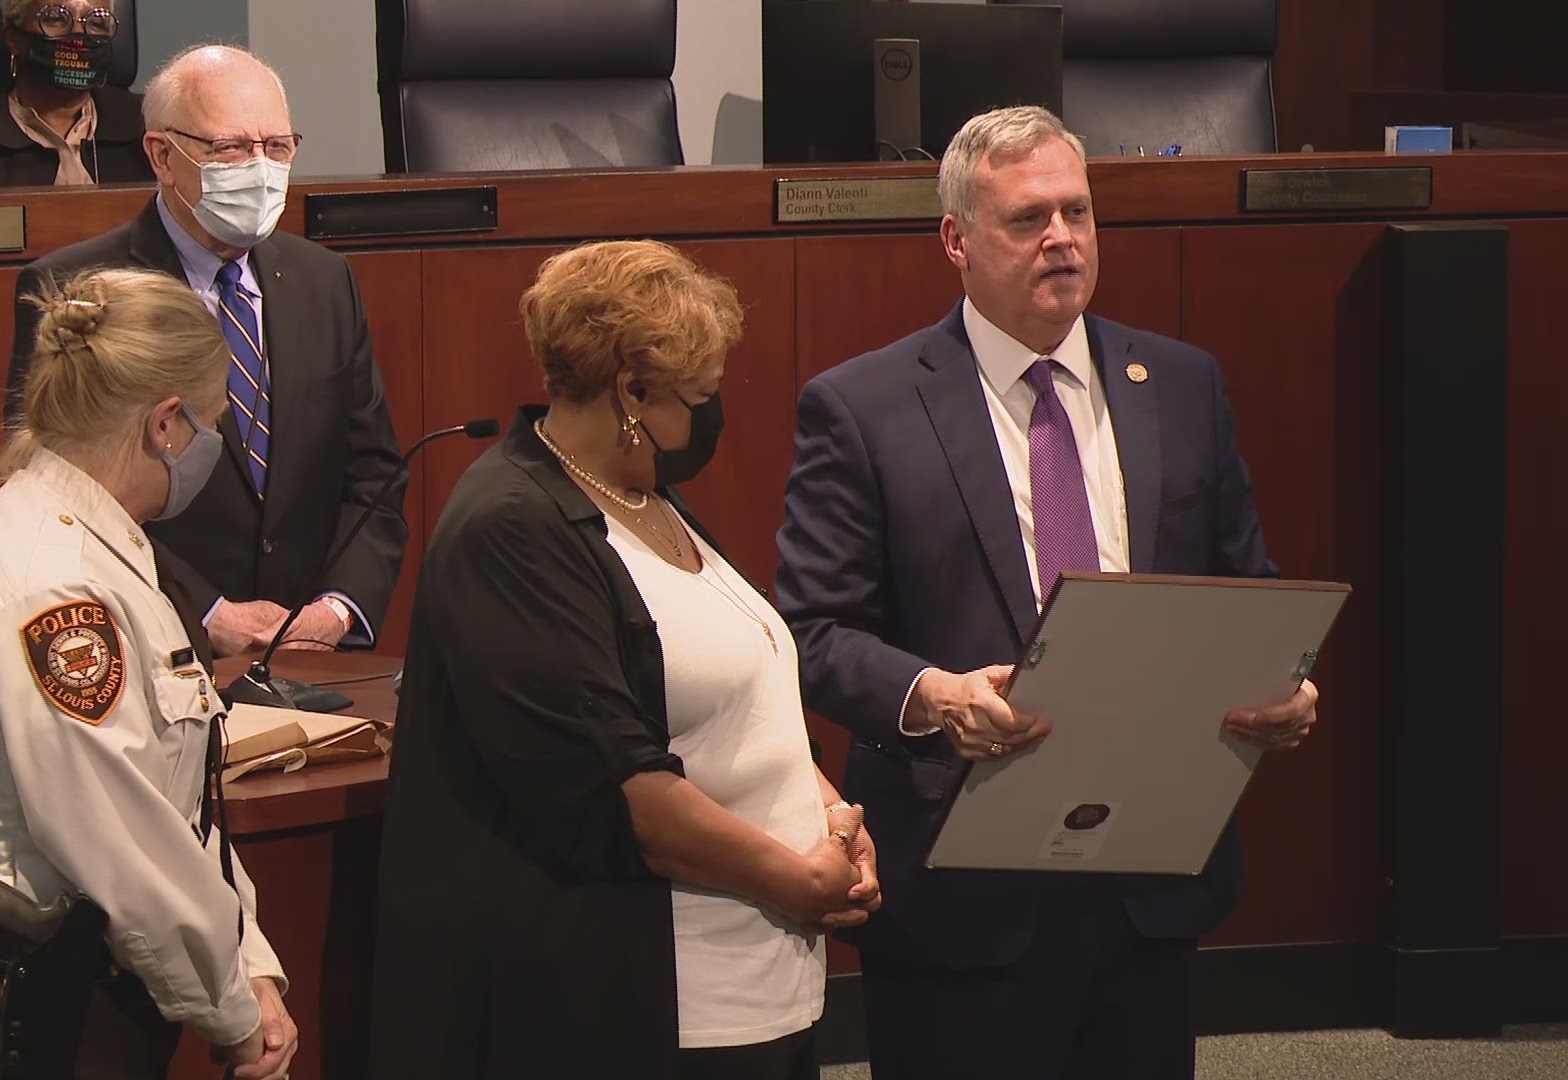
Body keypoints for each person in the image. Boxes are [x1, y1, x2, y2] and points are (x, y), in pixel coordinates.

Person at [774, 105, 1320, 1080]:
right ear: (957, 240)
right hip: (961, 885)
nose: (1063, 237)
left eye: (1078, 211)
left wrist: (1284, 682)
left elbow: (1248, 587)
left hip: (1147, 872)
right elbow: (813, 633)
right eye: (1029, 219)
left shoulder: (1182, 384)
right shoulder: (863, 409)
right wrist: (934, 696)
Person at [370, 240, 879, 1080]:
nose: (714, 415)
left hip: (763, 979)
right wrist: (797, 881)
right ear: (631, 390)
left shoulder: (643, 494)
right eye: (702, 395)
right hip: (652, 1003)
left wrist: (831, 818)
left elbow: (743, 697)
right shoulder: (511, 526)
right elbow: (619, 788)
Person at [0, 268, 295, 1079]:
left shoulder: (105, 556)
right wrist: (230, 1007)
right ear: (167, 423)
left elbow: (179, 810)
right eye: (216, 421)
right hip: (19, 1000)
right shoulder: (45, 587)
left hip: (85, 982)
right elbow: (116, 835)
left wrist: (250, 966)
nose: (217, 442)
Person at [4, 44, 408, 658]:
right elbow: (57, 492)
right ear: (163, 155)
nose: (260, 167)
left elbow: (373, 472)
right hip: (152, 643)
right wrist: (205, 612)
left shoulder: (326, 281)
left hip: (314, 659)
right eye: (230, 149)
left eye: (277, 147)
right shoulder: (74, 287)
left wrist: (336, 608)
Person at [0, 0, 153, 188]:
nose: (78, 35)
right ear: (13, 38)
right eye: (55, 18)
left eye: (97, 23)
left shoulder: (147, 121)